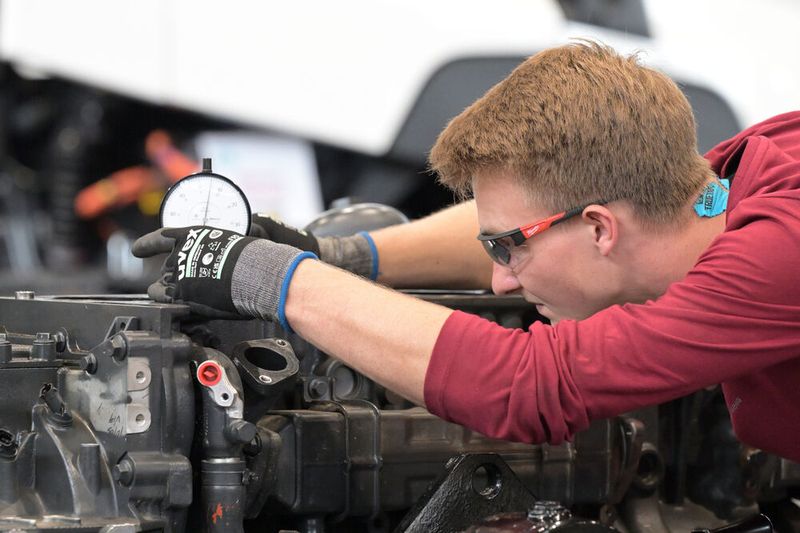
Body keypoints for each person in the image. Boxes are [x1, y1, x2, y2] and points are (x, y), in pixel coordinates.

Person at [133, 41, 800, 461]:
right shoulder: (725, 180)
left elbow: (537, 386)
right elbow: (528, 221)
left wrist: (265, 276)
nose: (500, 281)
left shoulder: (780, 254)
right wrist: (338, 255)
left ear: (601, 229)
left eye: (508, 251)